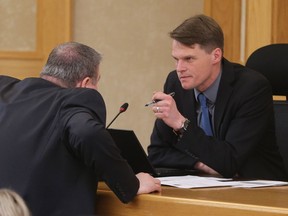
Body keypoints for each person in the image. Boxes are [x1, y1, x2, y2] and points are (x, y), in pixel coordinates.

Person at [0, 42, 161, 216]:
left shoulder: (7, 91)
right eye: (97, 81)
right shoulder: (72, 104)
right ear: (85, 83)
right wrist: (131, 184)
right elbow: (87, 132)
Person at [147, 14, 288, 181]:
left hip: (259, 191)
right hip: (202, 185)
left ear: (215, 56)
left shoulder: (251, 88)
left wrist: (181, 124)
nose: (179, 68)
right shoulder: (175, 83)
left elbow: (229, 162)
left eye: (188, 59)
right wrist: (200, 164)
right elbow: (157, 153)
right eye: (176, 59)